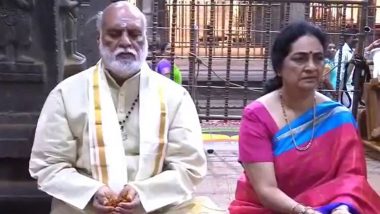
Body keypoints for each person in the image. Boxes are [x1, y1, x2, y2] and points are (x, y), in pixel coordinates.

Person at [29, 2, 223, 214]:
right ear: (99, 39)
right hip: (87, 207)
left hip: (157, 207)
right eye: (114, 33)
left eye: (134, 34)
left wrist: (146, 195)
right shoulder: (66, 94)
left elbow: (189, 166)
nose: (125, 42)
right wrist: (91, 192)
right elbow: (49, 165)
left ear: (145, 40)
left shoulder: (175, 97)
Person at [229, 21, 380, 214]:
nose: (311, 67)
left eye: (318, 58)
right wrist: (305, 212)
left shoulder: (338, 117)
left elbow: (351, 180)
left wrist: (342, 207)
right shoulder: (257, 116)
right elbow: (265, 190)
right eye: (300, 59)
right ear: (278, 67)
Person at [334, 28, 359, 109]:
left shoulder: (351, 51)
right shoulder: (342, 52)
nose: (356, 40)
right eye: (354, 38)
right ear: (348, 38)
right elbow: (340, 73)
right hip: (345, 88)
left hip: (351, 87)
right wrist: (340, 91)